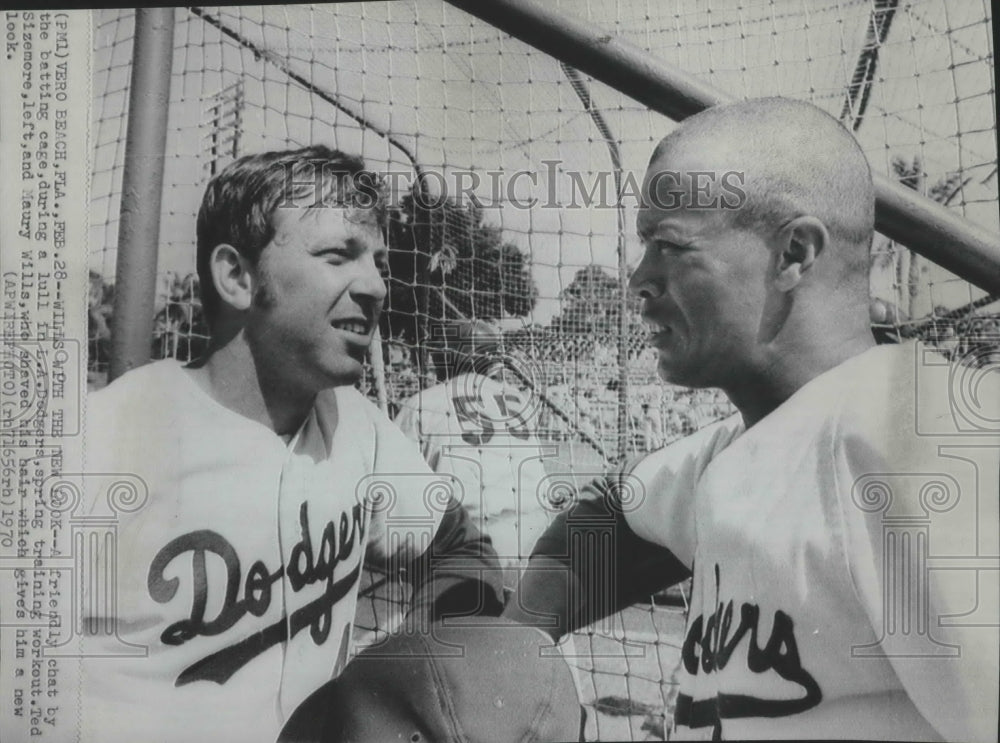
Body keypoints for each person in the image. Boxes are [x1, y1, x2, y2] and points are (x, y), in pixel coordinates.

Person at [503, 98, 999, 741]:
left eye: (670, 246)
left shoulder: (919, 435)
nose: (639, 278)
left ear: (793, 253)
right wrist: (510, 646)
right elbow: (600, 520)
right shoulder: (747, 440)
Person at [77, 147, 506, 742]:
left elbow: (458, 545)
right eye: (338, 256)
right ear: (237, 276)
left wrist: (430, 664)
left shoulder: (358, 426)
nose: (377, 285)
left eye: (378, 262)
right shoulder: (101, 441)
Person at [394, 319, 553, 590]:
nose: (435, 359)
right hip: (536, 533)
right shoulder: (518, 398)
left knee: (452, 628)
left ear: (451, 356)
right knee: (528, 627)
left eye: (440, 353)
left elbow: (398, 487)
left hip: (470, 537)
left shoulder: (425, 402)